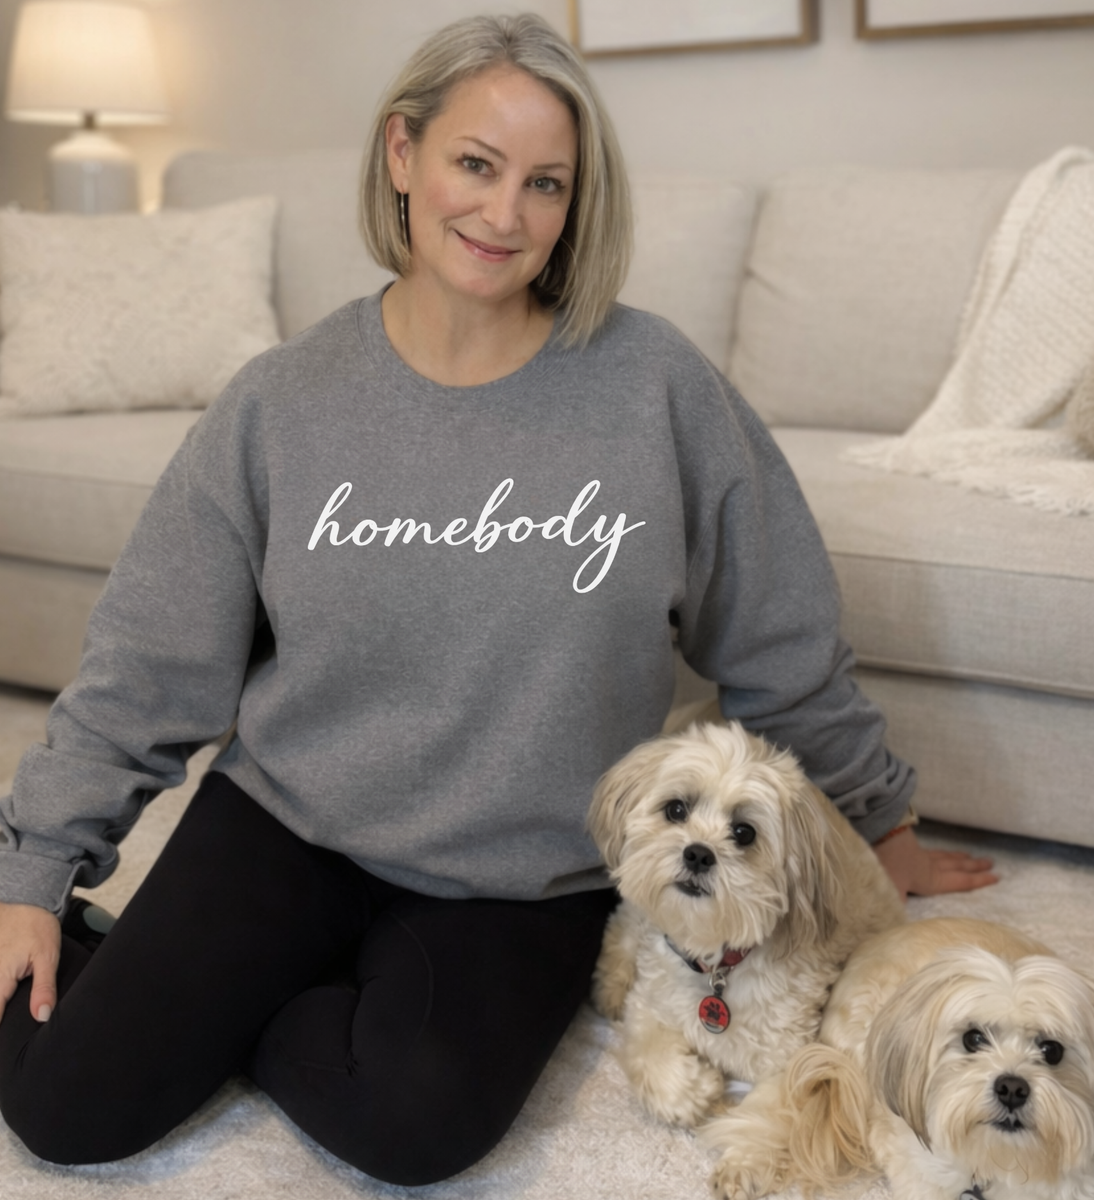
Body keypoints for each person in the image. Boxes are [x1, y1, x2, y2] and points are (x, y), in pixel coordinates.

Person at [0, 13, 995, 1186]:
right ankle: (198, 980)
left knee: (411, 1131)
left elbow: (778, 634)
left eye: (546, 184)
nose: (504, 213)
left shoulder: (656, 389)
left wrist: (880, 824)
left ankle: (255, 1002)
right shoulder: (280, 404)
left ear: (578, 207)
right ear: (402, 156)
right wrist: (33, 875)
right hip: (287, 823)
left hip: (525, 874)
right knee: (64, 1108)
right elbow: (149, 661)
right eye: (476, 164)